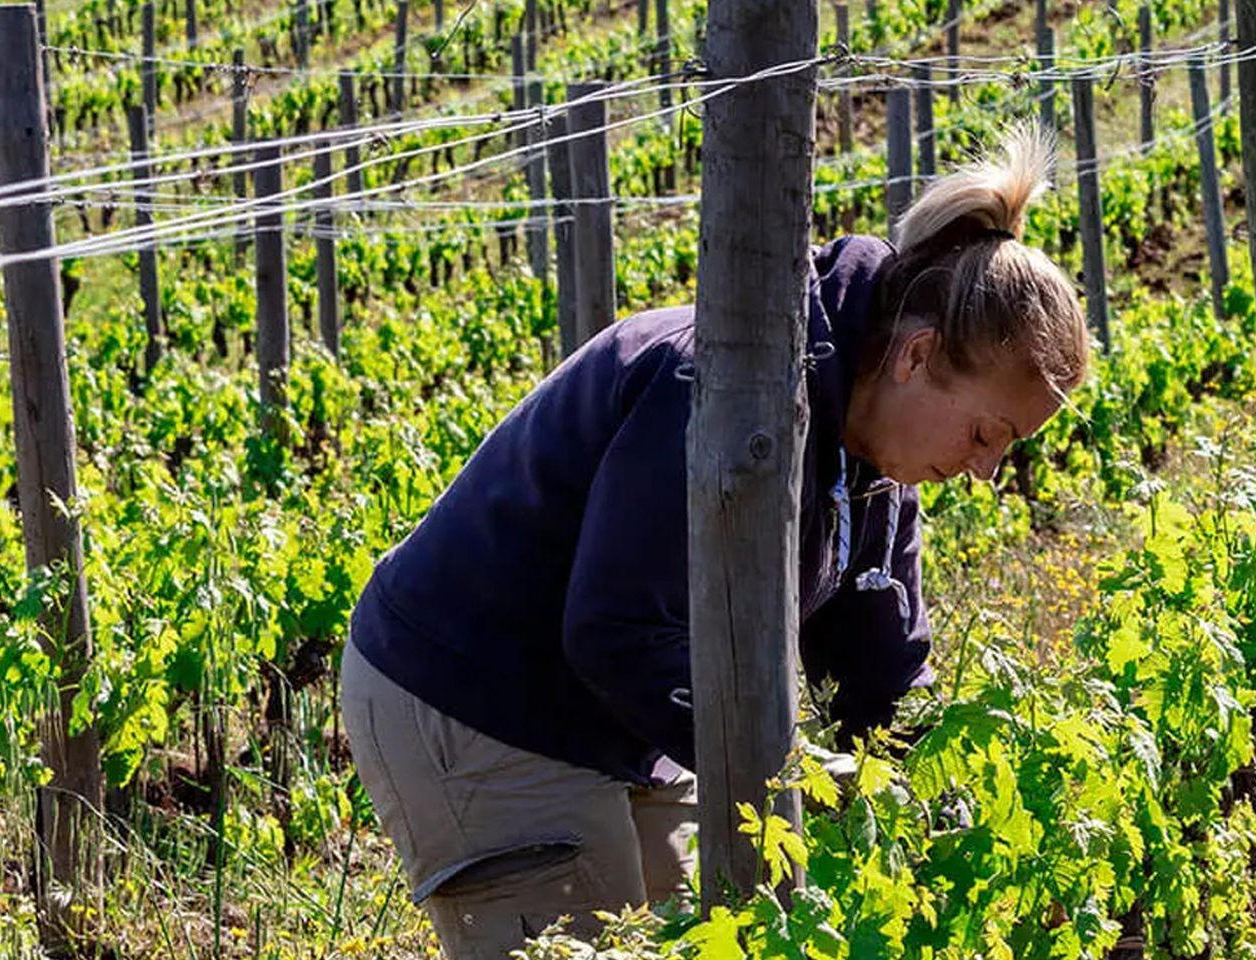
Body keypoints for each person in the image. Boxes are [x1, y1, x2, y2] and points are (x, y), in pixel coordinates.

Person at [336, 127, 1088, 960]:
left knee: (704, 934)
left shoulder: (877, 456)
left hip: (619, 712)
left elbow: (883, 667)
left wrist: (946, 797)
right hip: (474, 696)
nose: (986, 470)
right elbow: (617, 628)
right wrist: (789, 767)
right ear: (916, 355)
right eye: (988, 433)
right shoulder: (727, 392)